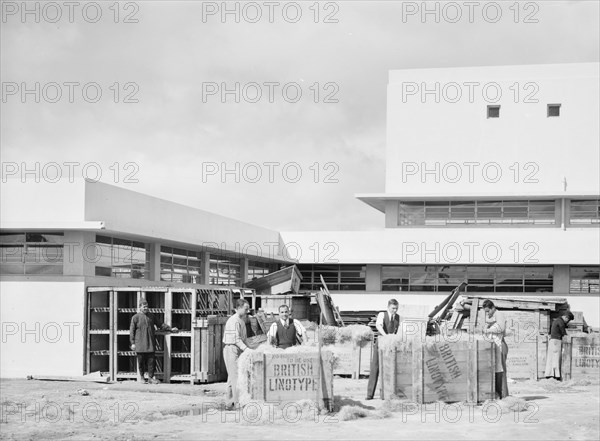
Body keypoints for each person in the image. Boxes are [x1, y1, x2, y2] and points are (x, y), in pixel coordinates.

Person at [130, 299, 178, 384]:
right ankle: (141, 377)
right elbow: (132, 331)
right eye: (144, 307)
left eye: (147, 306)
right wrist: (133, 343)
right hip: (140, 344)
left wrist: (170, 329)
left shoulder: (151, 316)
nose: (146, 308)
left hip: (150, 343)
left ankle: (150, 378)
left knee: (151, 361)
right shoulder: (135, 317)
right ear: (140, 307)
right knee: (141, 362)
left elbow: (160, 324)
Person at [366, 299, 400, 400]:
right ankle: (369, 394)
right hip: (381, 342)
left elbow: (398, 330)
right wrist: (386, 336)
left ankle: (389, 394)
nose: (395, 310)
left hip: (391, 344)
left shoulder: (398, 317)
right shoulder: (382, 314)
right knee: (375, 367)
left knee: (391, 368)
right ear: (388, 307)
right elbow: (378, 326)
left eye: (396, 308)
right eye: (393, 308)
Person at [222, 299, 251, 410]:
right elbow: (236, 339)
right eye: (246, 308)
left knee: (231, 377)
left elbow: (244, 339)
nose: (247, 311)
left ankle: (229, 403)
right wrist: (246, 349)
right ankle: (238, 402)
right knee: (235, 377)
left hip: (238, 348)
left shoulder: (242, 321)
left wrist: (249, 348)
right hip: (231, 348)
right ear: (238, 308)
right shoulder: (233, 320)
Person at [482, 299, 509, 399]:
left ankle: (503, 394)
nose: (487, 313)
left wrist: (488, 329)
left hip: (500, 345)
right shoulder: (492, 316)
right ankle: (498, 394)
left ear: (493, 308)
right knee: (496, 369)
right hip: (495, 345)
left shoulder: (499, 314)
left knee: (500, 369)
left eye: (488, 311)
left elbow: (501, 328)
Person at [545, 311, 574, 380]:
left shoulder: (556, 321)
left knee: (551, 358)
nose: (567, 322)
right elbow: (563, 333)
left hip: (552, 341)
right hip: (557, 341)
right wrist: (567, 336)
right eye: (568, 320)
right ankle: (556, 376)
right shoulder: (561, 322)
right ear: (566, 317)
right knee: (556, 358)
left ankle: (548, 374)